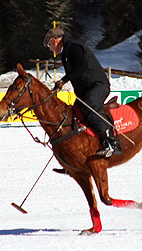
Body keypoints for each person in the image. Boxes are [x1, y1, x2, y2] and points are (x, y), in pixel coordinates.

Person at [43, 27, 121, 158]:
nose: (50, 48)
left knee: (89, 108)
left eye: (49, 45)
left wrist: (63, 80)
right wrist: (61, 84)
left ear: (55, 40)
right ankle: (75, 157)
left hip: (97, 86)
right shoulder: (66, 53)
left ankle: (111, 142)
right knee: (74, 116)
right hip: (85, 91)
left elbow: (82, 66)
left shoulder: (73, 47)